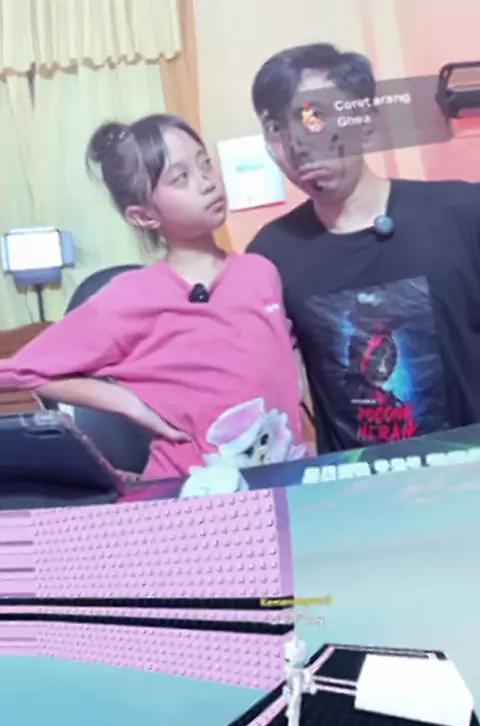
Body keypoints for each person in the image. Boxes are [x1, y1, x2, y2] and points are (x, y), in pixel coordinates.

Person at [0, 114, 305, 480]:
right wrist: (127, 404)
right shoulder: (130, 297)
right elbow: (21, 370)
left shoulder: (260, 272)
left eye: (205, 163)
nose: (207, 182)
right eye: (181, 177)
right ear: (143, 216)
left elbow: (283, 354)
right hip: (191, 492)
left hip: (286, 478)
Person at [247, 42, 480, 453]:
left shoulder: (463, 212)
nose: (297, 142)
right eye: (277, 128)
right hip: (360, 484)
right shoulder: (269, 255)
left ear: (366, 124)